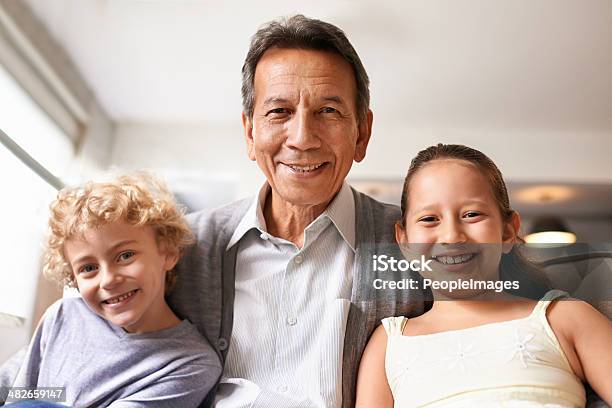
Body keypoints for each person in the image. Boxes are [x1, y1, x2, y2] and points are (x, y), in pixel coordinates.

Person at [166, 14, 426, 408]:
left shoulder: (413, 241)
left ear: (362, 133)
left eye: (328, 111)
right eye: (279, 112)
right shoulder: (182, 247)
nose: (302, 139)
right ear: (250, 132)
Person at [355, 144, 612, 407]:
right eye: (430, 219)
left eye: (472, 214)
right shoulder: (388, 345)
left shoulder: (564, 318)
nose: (452, 236)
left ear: (508, 232)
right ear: (404, 242)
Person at [0, 173, 222, 407]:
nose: (108, 280)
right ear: (73, 278)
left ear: (167, 253)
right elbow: (23, 393)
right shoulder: (63, 316)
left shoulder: (191, 363)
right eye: (88, 268)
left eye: (125, 256)